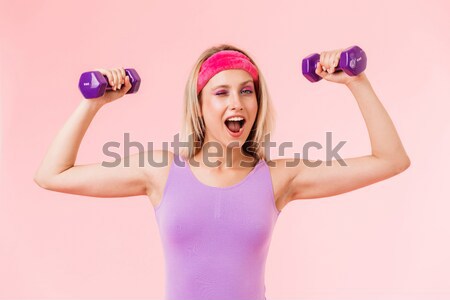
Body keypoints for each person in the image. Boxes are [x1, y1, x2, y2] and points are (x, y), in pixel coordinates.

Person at [34, 44, 411, 300]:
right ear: (198, 106)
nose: (238, 102)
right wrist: (93, 104)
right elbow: (53, 174)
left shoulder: (280, 179)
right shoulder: (160, 170)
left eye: (247, 91)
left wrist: (355, 82)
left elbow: (390, 159)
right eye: (221, 92)